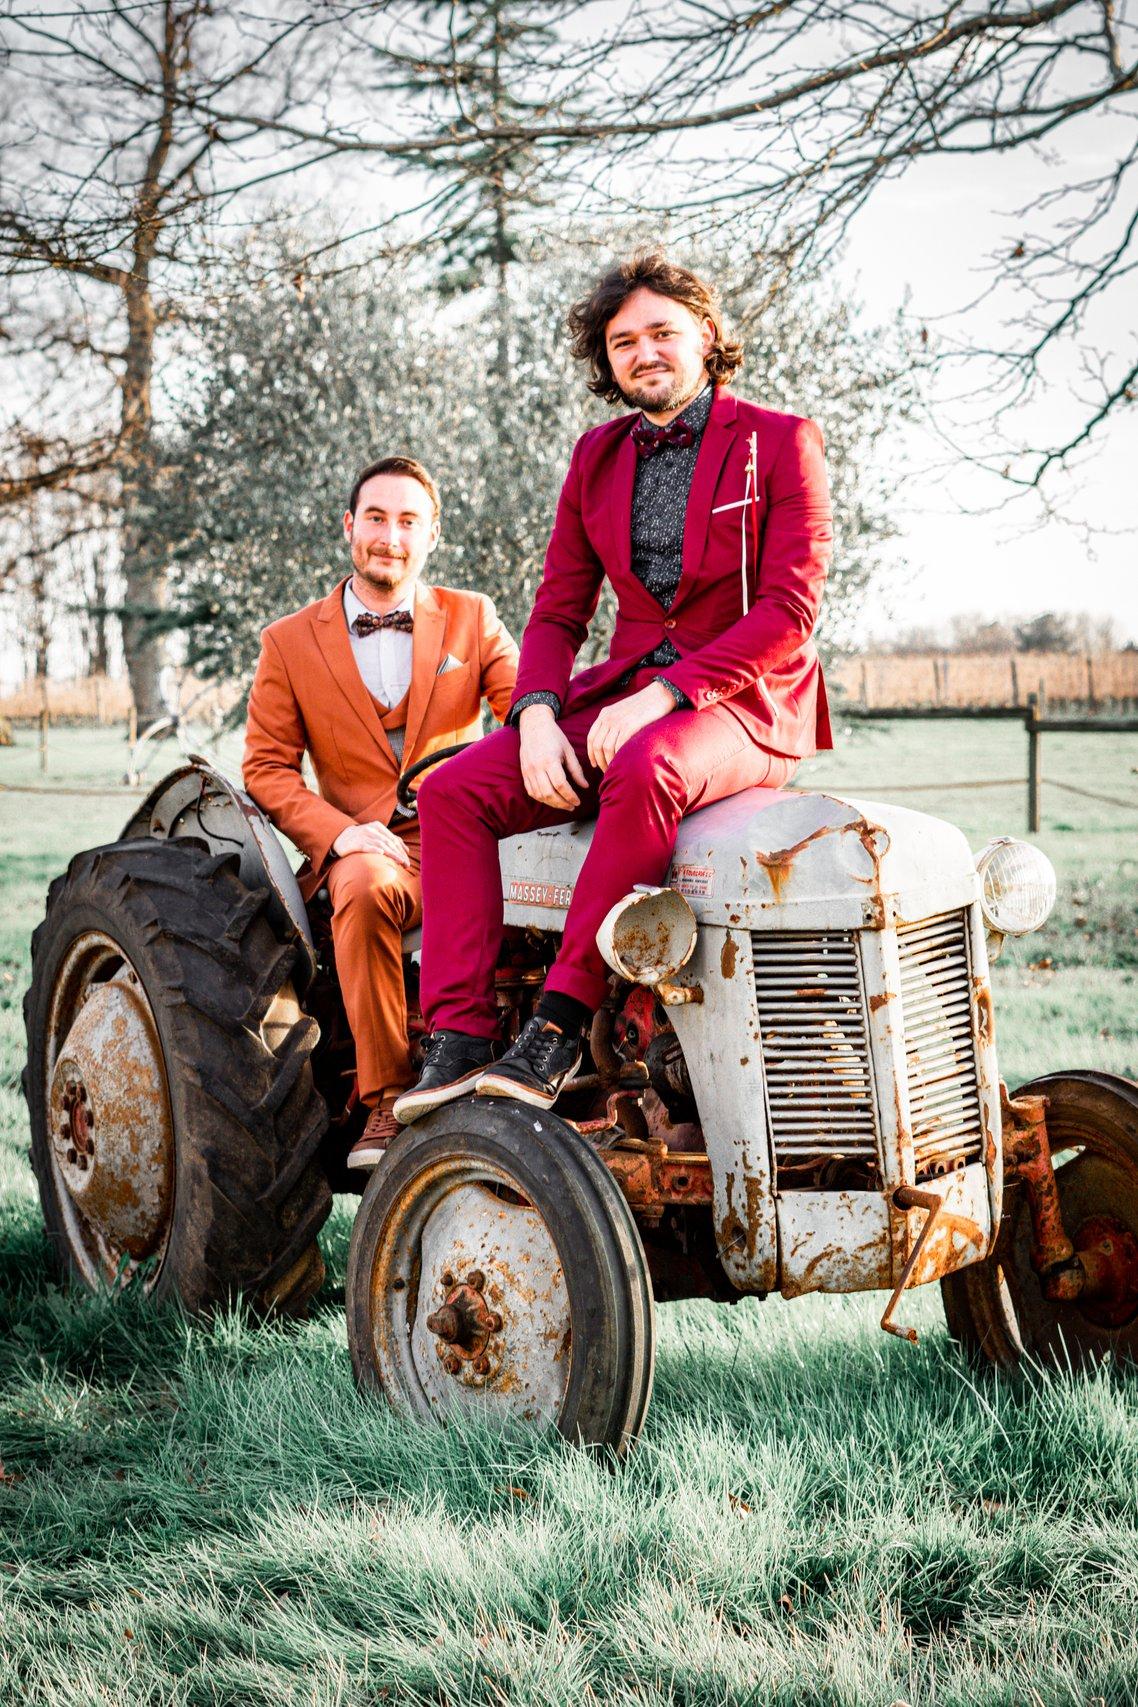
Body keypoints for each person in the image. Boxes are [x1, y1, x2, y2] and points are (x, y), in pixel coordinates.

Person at [394, 249, 834, 1124]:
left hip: (744, 702)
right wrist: (535, 715)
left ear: (706, 336)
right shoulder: (595, 457)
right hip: (620, 695)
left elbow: (790, 610)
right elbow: (558, 612)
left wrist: (667, 696)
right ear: (608, 360)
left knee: (648, 764)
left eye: (662, 332)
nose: (644, 352)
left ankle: (558, 1025)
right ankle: (458, 1038)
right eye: (623, 340)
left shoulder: (781, 442)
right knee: (450, 792)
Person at [243, 456, 518, 1164]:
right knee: (364, 884)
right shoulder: (288, 641)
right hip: (365, 852)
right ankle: (385, 1103)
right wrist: (339, 835)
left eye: (406, 521)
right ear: (348, 527)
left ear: (432, 534)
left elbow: (524, 710)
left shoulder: (473, 619)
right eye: (375, 518)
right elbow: (267, 768)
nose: (389, 537)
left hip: (468, 839)